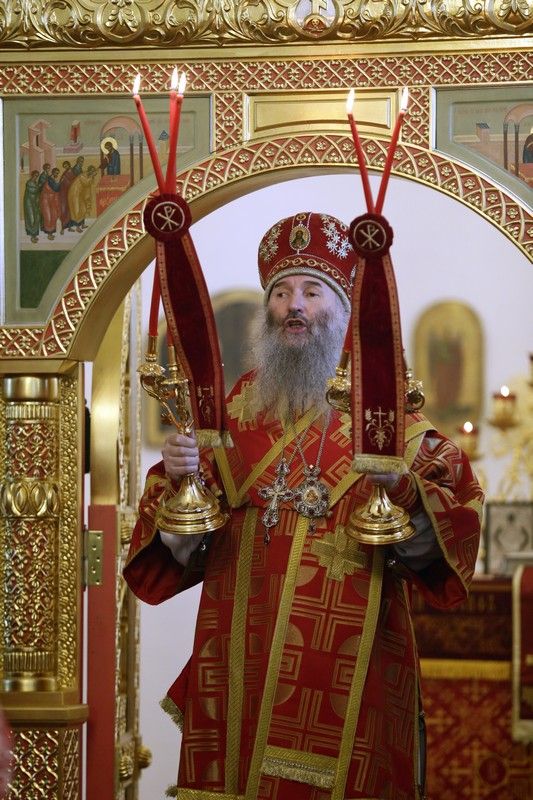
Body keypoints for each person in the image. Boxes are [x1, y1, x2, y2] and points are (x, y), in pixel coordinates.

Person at [124, 212, 483, 800]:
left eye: (313, 291)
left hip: (349, 674)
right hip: (239, 656)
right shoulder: (237, 408)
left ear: (343, 310)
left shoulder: (387, 417)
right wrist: (178, 480)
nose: (294, 306)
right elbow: (183, 544)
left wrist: (402, 491)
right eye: (281, 292)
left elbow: (456, 518)